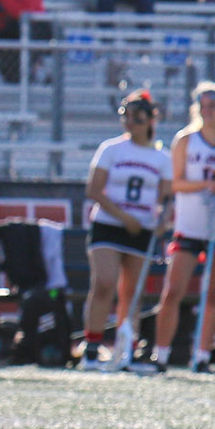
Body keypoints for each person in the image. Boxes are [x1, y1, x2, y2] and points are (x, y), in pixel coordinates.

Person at [79, 90, 173, 371]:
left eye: (137, 117)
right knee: (104, 283)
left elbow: (167, 198)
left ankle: (126, 348)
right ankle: (92, 348)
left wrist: (163, 221)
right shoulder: (111, 149)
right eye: (126, 116)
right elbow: (94, 190)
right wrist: (123, 216)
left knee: (132, 293)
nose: (130, 123)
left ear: (151, 120)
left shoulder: (162, 157)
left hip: (141, 230)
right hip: (108, 226)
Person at [152, 82, 215, 373]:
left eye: (213, 106)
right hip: (190, 225)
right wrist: (205, 183)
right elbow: (175, 183)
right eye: (203, 106)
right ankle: (160, 354)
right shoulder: (186, 140)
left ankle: (203, 355)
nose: (207, 111)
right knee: (173, 291)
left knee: (213, 294)